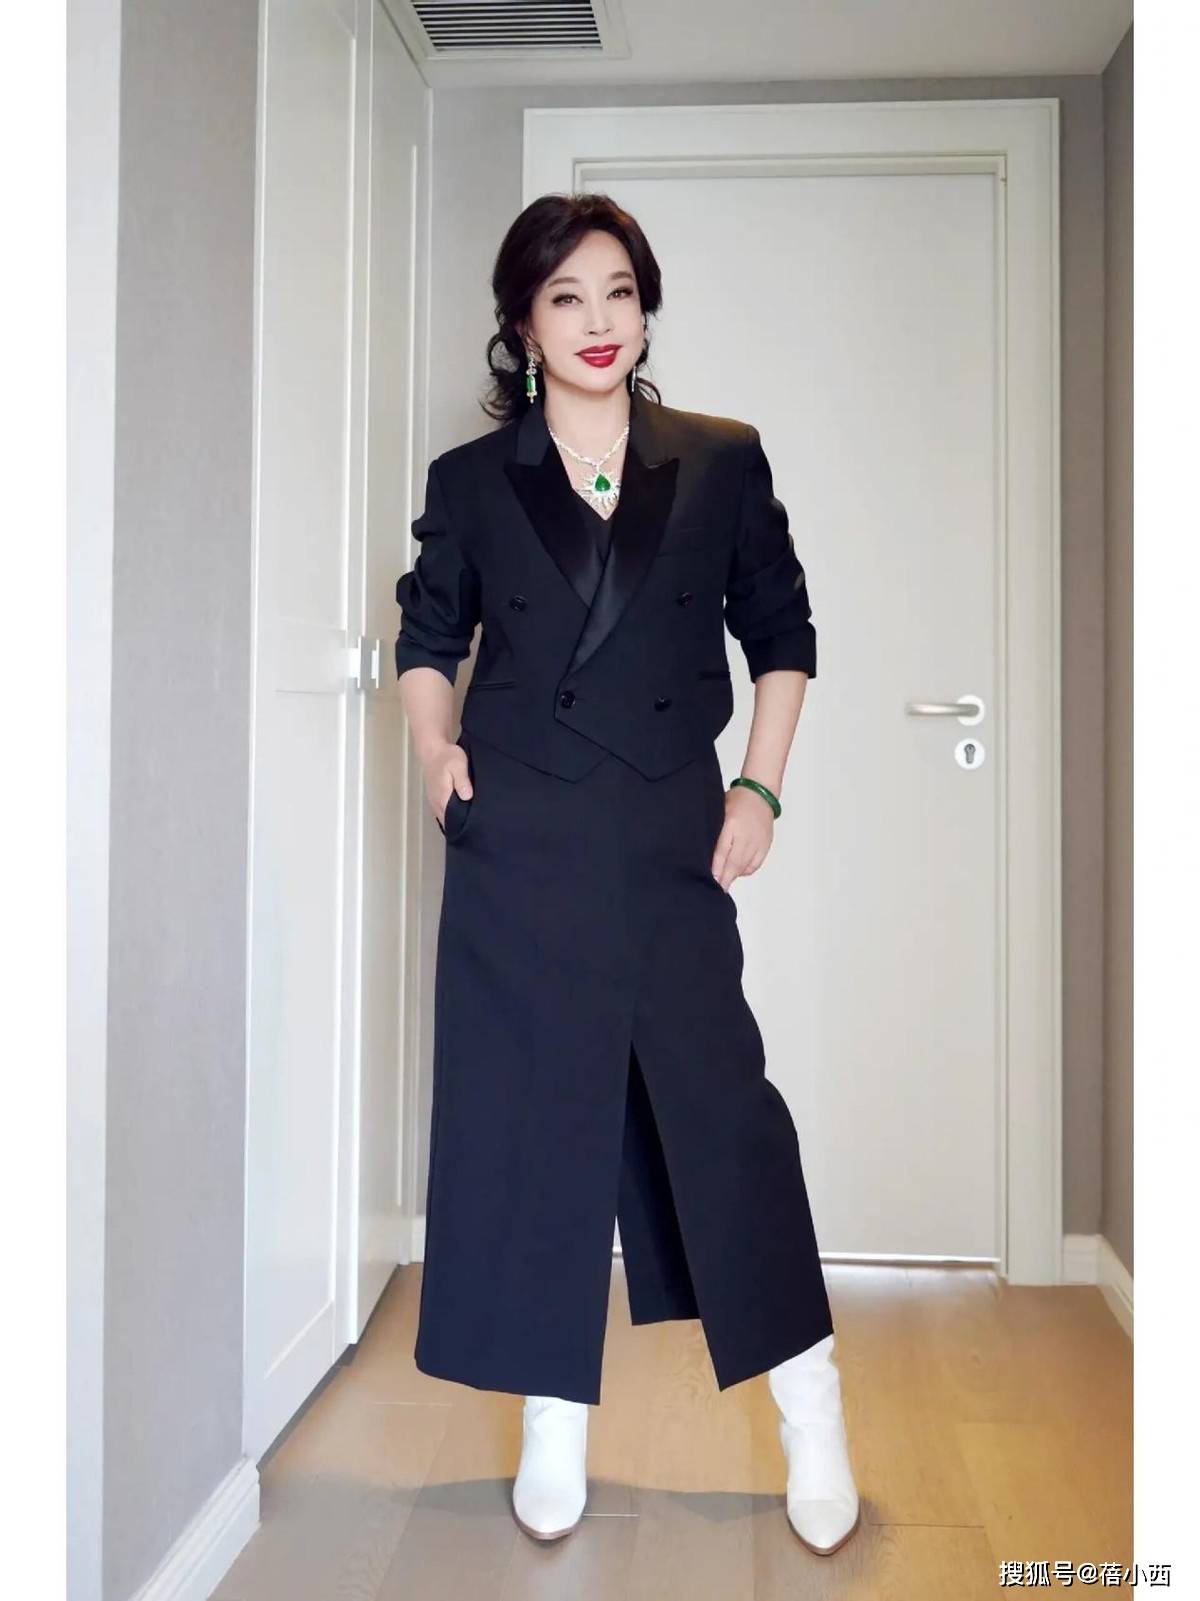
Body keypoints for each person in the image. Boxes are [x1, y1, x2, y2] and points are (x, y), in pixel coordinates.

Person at [394, 193, 860, 1556]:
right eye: (566, 298)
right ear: (523, 323)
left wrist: (758, 787)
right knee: (538, 1123)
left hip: (667, 828)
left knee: (722, 1117)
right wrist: (434, 751)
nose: (598, 322)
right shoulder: (472, 482)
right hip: (521, 836)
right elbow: (429, 636)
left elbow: (784, 633)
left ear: (644, 311)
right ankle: (554, 1422)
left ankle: (814, 1411)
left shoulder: (718, 460)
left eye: (619, 293)